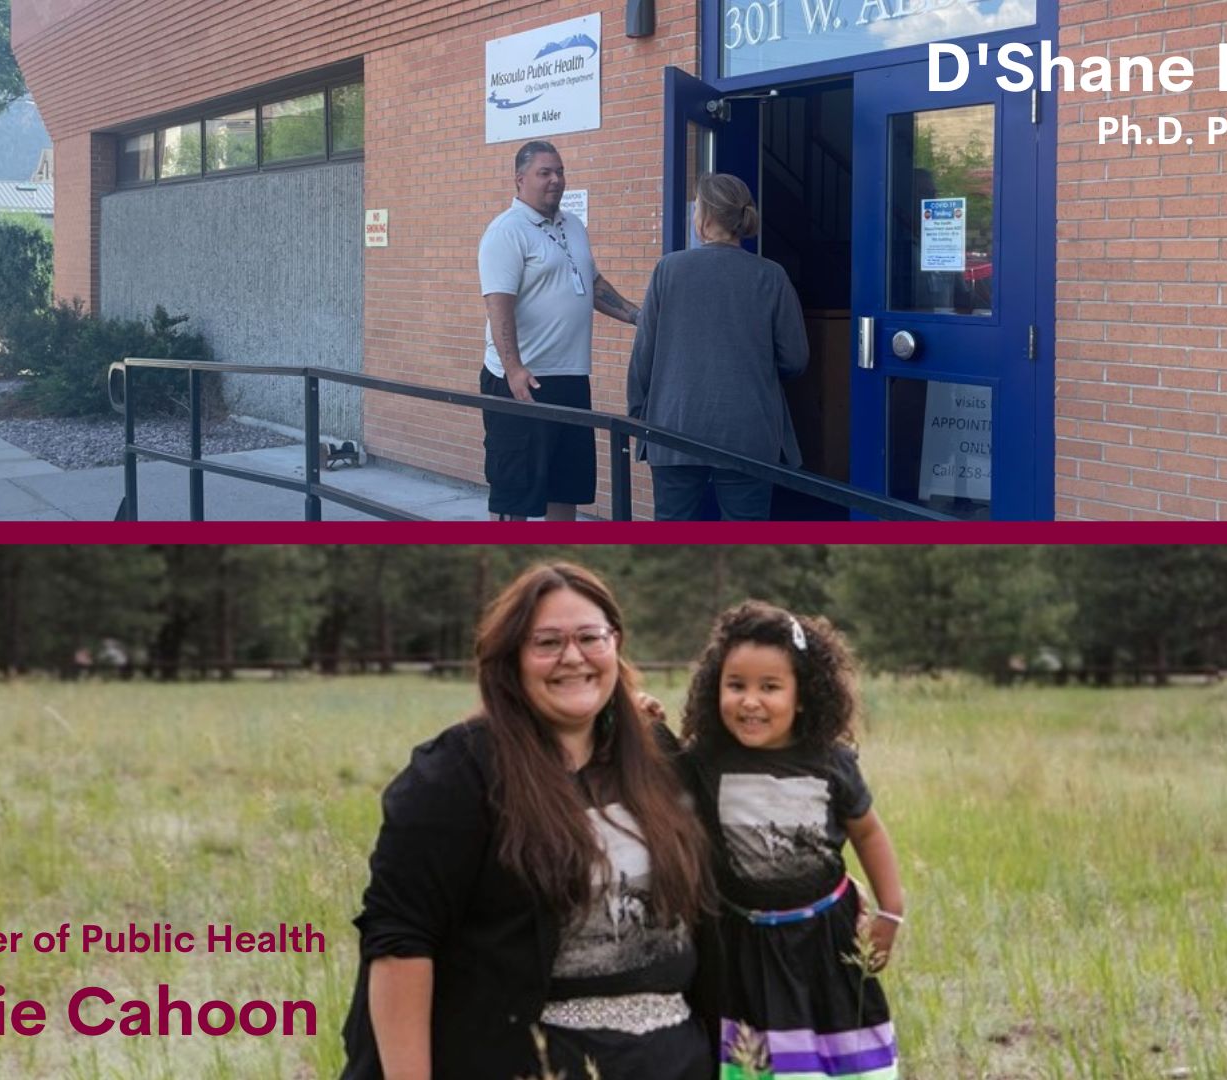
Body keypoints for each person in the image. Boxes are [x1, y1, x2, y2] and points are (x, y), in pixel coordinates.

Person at [341, 563, 715, 1079]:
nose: (573, 657)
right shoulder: (458, 774)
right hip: (525, 1063)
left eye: (590, 637)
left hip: (678, 1063)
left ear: (615, 644)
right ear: (511, 657)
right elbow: (400, 942)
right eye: (547, 643)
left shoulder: (657, 757)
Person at [678, 601, 904, 1078]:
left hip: (826, 937)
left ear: (803, 695)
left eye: (770, 687)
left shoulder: (830, 761)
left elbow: (868, 832)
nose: (750, 701)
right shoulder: (705, 760)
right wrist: (643, 715)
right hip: (745, 941)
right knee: (755, 1058)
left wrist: (891, 910)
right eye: (736, 685)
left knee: (840, 1045)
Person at [627, 173, 808, 521]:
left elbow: (643, 354)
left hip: (674, 424)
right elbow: (795, 359)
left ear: (706, 216)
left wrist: (638, 411)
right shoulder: (771, 276)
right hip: (748, 428)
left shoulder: (669, 269)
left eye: (697, 208)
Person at [479, 141, 644, 521]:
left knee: (566, 487)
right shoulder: (506, 231)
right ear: (520, 179)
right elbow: (498, 305)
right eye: (545, 173)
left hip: (571, 378)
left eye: (560, 171)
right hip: (523, 382)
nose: (556, 179)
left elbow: (593, 283)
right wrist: (513, 369)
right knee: (514, 494)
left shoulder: (573, 225)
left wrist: (638, 316)